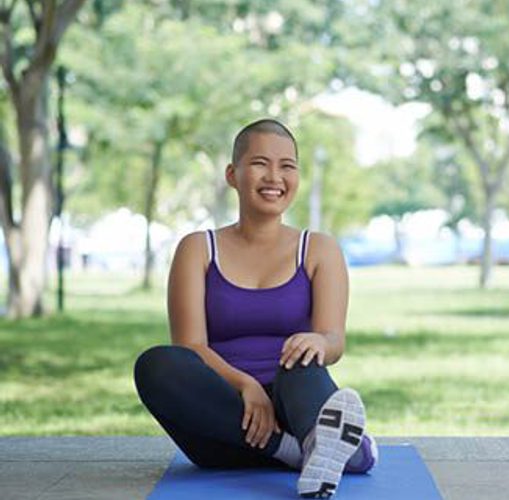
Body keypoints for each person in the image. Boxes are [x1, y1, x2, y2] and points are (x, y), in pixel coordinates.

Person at [133, 118, 376, 499]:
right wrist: (246, 386)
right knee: (156, 365)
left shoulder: (319, 249)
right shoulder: (197, 249)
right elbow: (191, 346)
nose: (274, 176)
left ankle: (316, 440)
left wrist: (316, 341)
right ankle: (308, 451)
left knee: (301, 358)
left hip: (297, 406)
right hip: (222, 423)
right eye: (261, 163)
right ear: (233, 174)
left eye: (287, 166)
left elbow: (333, 340)